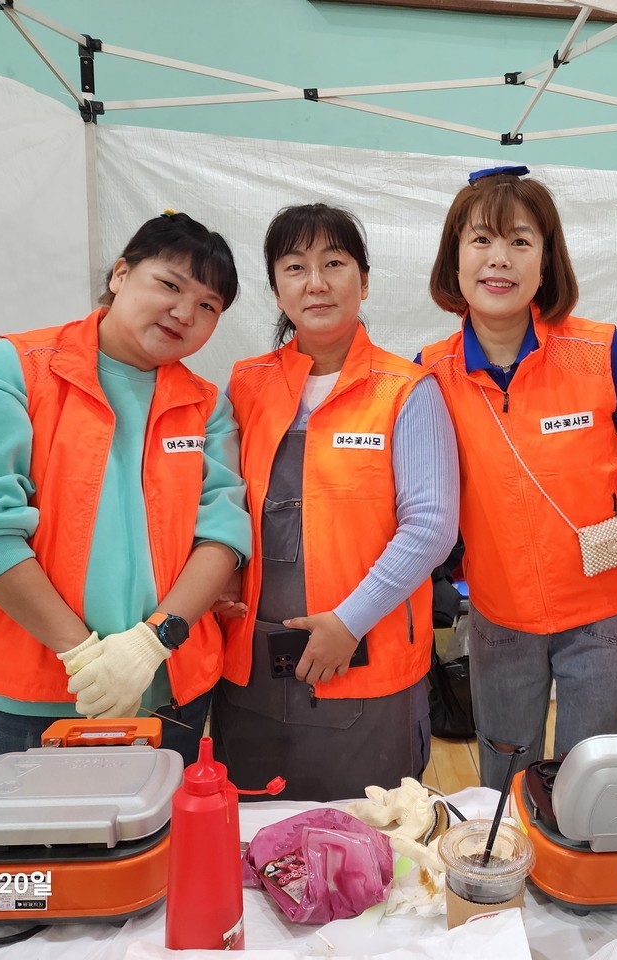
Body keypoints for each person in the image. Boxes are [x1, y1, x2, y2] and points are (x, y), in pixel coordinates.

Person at [0, 211, 252, 760]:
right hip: (47, 695)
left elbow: (222, 531)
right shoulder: (12, 370)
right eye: (169, 285)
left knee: (166, 841)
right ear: (120, 274)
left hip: (173, 690)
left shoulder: (206, 406)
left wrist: (153, 642)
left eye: (209, 307)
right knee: (48, 845)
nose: (184, 313)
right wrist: (83, 656)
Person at [420, 167, 617, 790]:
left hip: (609, 612)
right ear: (453, 257)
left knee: (596, 775)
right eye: (480, 240)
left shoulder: (602, 351)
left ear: (547, 260)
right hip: (499, 614)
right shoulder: (430, 373)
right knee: (506, 773)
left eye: (521, 241)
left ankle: (579, 884)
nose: (498, 259)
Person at [213, 203, 459, 801]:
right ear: (276, 289)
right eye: (295, 267)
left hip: (365, 663)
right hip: (250, 667)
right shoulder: (246, 383)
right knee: (257, 850)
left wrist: (348, 623)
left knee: (369, 845)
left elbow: (430, 528)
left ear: (365, 280)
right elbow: (218, 504)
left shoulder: (407, 390)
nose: (316, 282)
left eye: (334, 263)